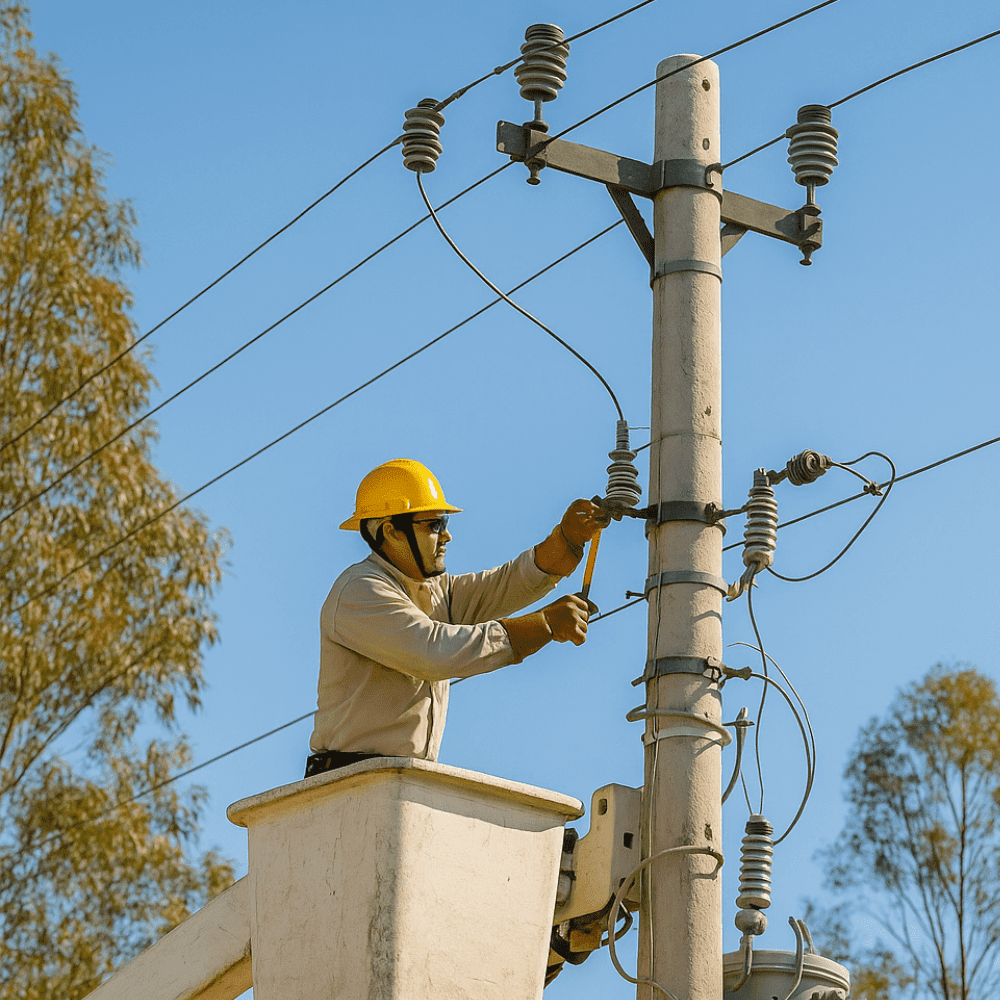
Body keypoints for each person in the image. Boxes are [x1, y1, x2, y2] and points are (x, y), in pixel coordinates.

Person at [306, 458, 609, 777]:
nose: (447, 537)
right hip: (347, 782)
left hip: (397, 782)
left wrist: (568, 540)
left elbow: (506, 584)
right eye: (434, 526)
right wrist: (544, 625)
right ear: (392, 532)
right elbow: (434, 651)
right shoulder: (360, 591)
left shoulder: (435, 592)